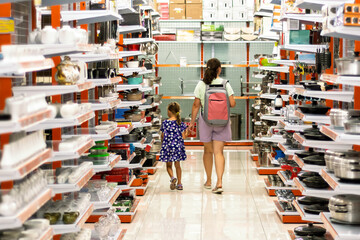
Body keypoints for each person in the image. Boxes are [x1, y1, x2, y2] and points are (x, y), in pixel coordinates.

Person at [189, 58, 236, 194]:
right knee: (219, 152)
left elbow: (196, 105)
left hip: (206, 121)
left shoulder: (201, 85)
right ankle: (219, 182)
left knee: (207, 151)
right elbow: (232, 104)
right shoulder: (225, 84)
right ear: (219, 69)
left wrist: (192, 123)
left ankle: (209, 181)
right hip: (222, 121)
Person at [159, 102, 189, 191]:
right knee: (177, 165)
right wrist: (187, 131)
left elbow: (163, 136)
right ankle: (179, 184)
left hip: (168, 147)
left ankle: (172, 178)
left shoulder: (165, 122)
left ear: (169, 111)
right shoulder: (180, 123)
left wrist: (163, 143)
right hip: (177, 147)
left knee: (168, 166)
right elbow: (184, 137)